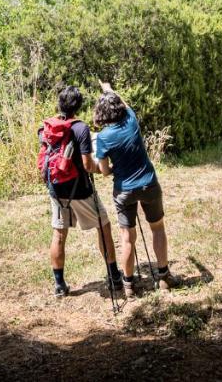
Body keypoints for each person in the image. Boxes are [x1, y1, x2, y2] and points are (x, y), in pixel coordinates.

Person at [40, 85, 125, 299]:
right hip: (79, 189)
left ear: (59, 103)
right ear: (79, 106)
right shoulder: (80, 128)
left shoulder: (47, 127)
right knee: (104, 226)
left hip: (56, 189)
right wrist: (103, 169)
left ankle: (59, 285)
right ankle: (114, 276)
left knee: (59, 233)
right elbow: (87, 165)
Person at [93, 85, 178, 296]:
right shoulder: (131, 120)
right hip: (149, 184)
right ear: (119, 107)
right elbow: (126, 104)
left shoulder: (103, 137)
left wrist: (115, 168)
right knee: (157, 228)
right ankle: (164, 277)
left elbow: (104, 171)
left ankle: (129, 285)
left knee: (127, 237)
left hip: (124, 190)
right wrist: (110, 89)